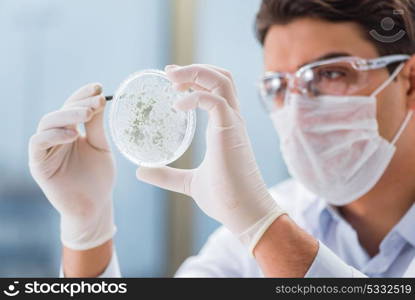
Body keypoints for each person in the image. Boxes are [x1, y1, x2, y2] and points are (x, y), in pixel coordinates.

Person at [29, 0, 415, 278]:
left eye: (330, 74)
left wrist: (262, 226)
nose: (298, 107)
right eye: (278, 85)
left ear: (409, 81)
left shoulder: (261, 223)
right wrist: (87, 229)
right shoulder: (256, 231)